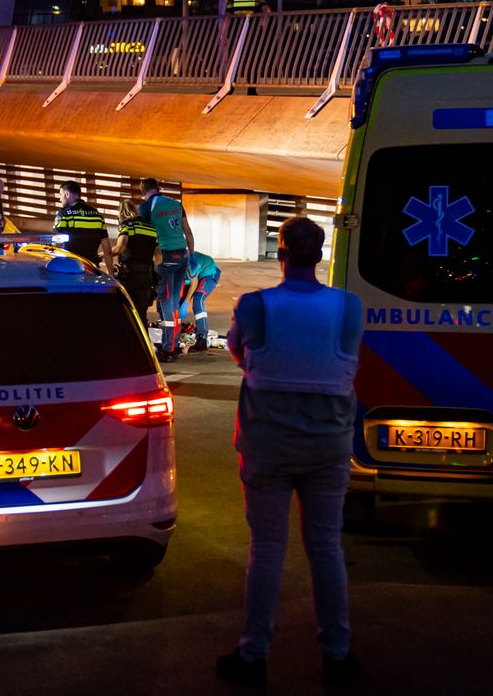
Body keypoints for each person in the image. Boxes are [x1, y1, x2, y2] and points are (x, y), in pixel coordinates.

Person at [217, 216, 364, 688]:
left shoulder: (255, 305)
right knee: (325, 549)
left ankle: (254, 654)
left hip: (267, 446)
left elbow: (240, 353)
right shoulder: (348, 307)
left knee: (267, 549)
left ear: (280, 254)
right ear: (318, 256)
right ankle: (336, 656)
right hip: (328, 447)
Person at [138, 177, 194, 362]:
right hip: (183, 255)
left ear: (143, 192)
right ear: (158, 188)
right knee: (173, 301)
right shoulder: (176, 204)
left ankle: (169, 349)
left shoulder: (146, 207)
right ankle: (173, 342)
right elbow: (188, 231)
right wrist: (190, 255)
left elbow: (146, 236)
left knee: (167, 302)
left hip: (166, 257)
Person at [53, 180, 113, 274]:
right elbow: (107, 250)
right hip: (92, 269)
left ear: (67, 194)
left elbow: (56, 245)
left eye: (61, 195)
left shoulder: (64, 214)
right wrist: (111, 276)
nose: (60, 199)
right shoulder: (97, 215)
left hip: (70, 270)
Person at [113, 198, 157, 321]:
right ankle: (143, 339)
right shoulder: (151, 228)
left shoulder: (126, 225)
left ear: (121, 213)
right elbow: (158, 256)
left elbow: (119, 249)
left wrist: (102, 254)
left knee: (127, 313)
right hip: (147, 277)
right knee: (142, 314)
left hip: (130, 276)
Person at [181, 251, 221, 351]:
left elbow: (193, 284)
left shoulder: (190, 263)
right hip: (195, 274)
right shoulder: (171, 262)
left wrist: (185, 303)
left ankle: (202, 338)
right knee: (179, 301)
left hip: (209, 272)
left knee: (198, 299)